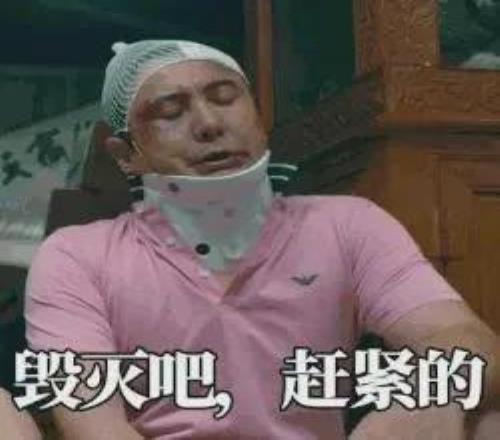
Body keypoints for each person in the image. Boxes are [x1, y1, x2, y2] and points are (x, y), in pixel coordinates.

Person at [23, 40, 499, 439]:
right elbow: (94, 425)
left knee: (485, 415)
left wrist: (432, 393)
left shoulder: (346, 225)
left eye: (225, 98)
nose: (209, 124)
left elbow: (459, 336)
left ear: (258, 114)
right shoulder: (78, 256)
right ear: (126, 154)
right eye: (170, 112)